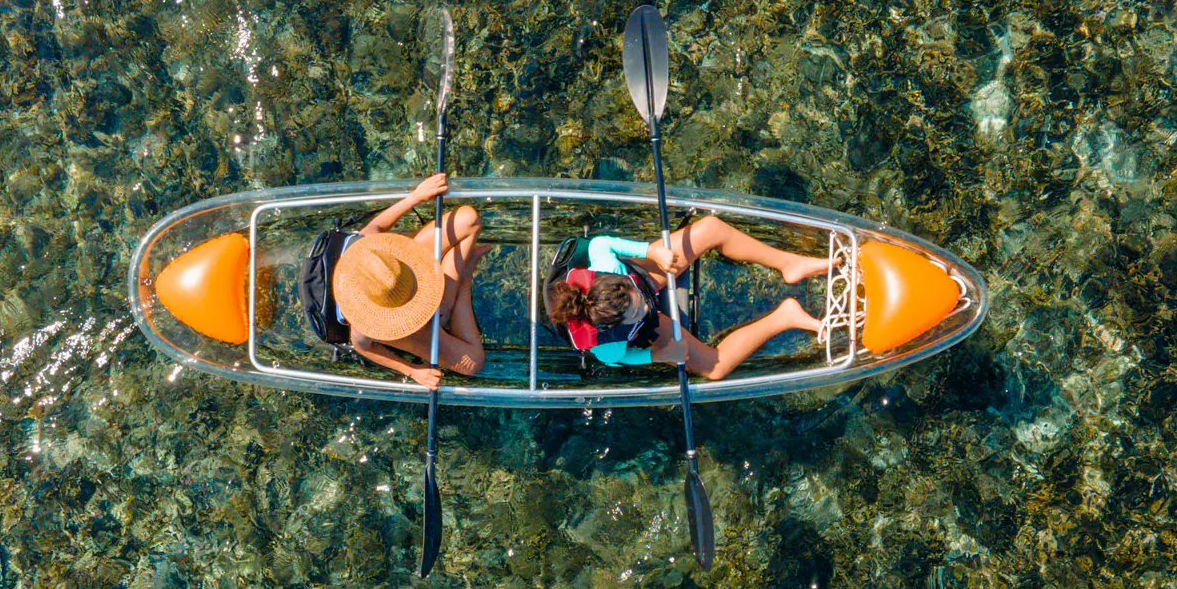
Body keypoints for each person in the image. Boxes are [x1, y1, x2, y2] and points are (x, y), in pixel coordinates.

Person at [544, 215, 828, 378]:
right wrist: (658, 354)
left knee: (711, 228)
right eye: (635, 310)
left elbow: (601, 243)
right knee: (714, 368)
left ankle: (790, 264)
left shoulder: (607, 265)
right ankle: (785, 316)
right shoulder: (607, 345)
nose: (644, 303)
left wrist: (651, 252)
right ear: (614, 325)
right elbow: (625, 359)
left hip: (639, 274)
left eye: (634, 296)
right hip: (644, 329)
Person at [331, 175, 486, 389]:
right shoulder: (366, 325)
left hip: (401, 268)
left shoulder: (371, 253)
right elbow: (363, 347)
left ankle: (446, 308)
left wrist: (416, 196)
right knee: (472, 363)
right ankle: (462, 284)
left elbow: (376, 226)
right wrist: (412, 371)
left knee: (468, 218)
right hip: (390, 319)